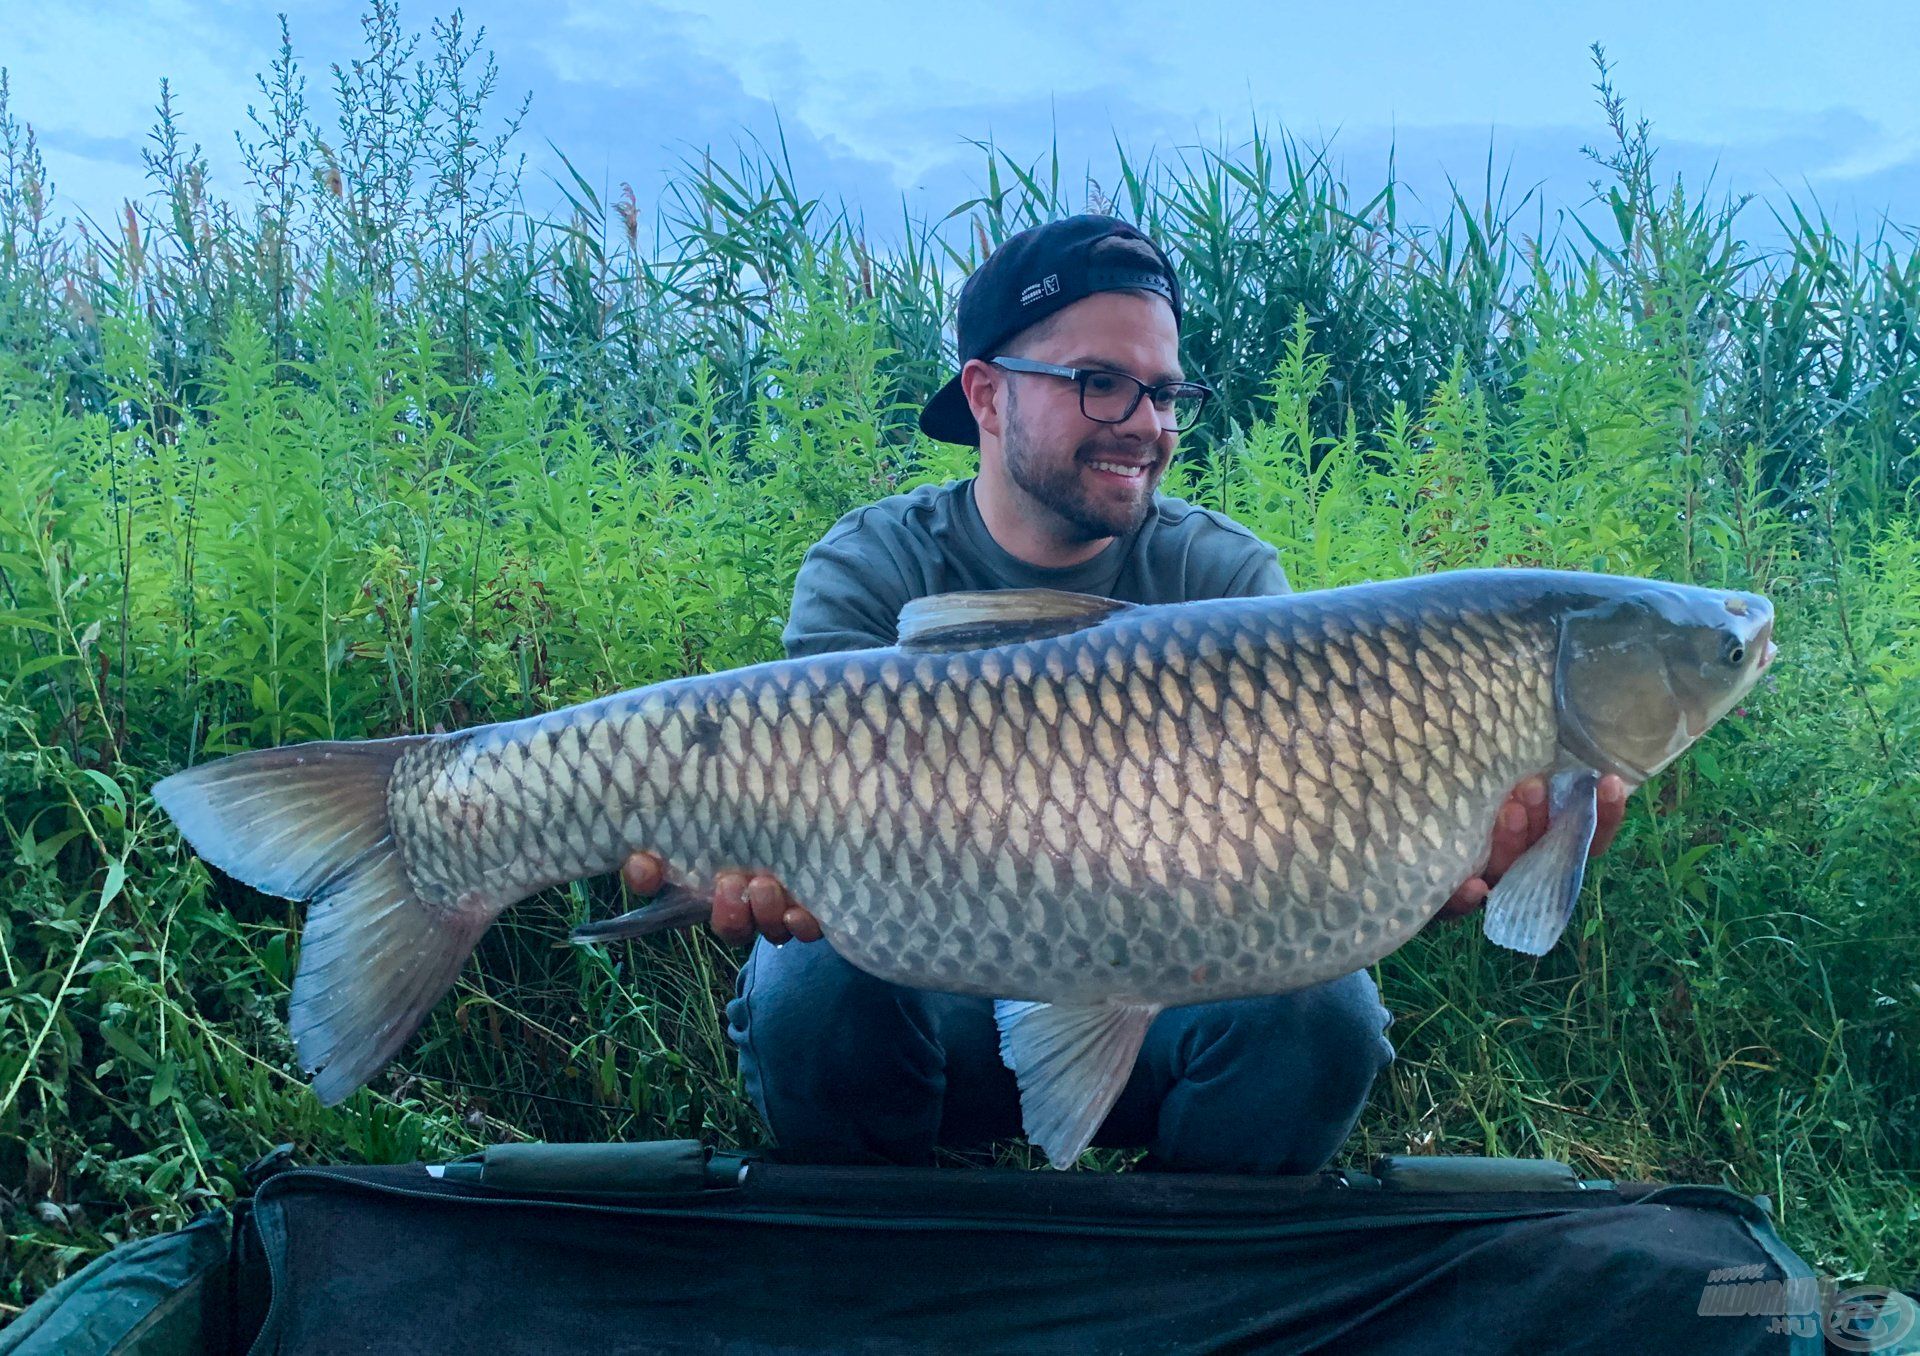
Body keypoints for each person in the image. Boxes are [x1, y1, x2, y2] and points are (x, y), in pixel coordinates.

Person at [620, 215, 1627, 1172]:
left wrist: (1428, 867)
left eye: (1165, 393)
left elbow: (1295, 858)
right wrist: (756, 864)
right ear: (985, 394)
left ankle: (1190, 1286)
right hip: (931, 990)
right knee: (808, 982)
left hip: (1171, 985)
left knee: (1328, 1014)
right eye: (1100, 385)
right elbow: (800, 832)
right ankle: (896, 1274)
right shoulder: (876, 566)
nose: (1144, 425)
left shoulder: (1230, 586)